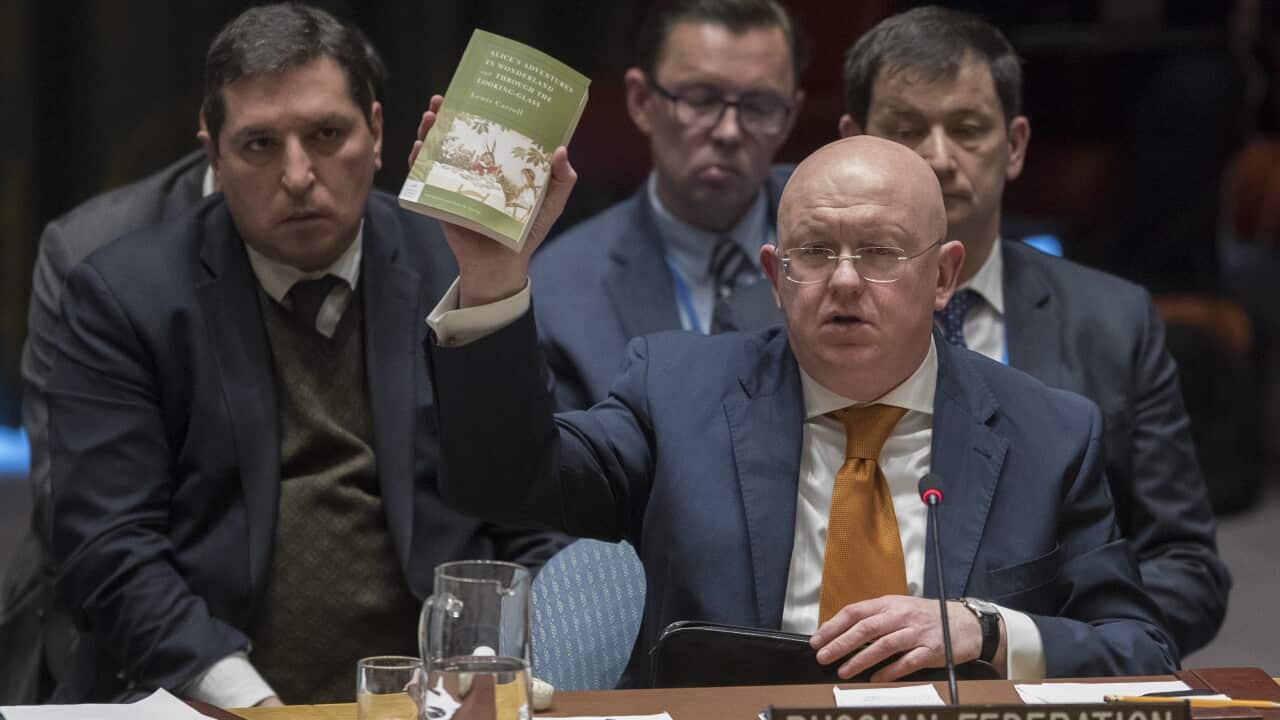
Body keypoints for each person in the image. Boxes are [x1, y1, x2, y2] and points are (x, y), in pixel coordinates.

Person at [418, 117, 1177, 686]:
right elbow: (504, 479)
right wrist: (492, 281)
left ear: (944, 277)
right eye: (814, 252)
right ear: (776, 277)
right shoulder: (678, 391)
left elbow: (1140, 650)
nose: (843, 280)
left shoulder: (1048, 433)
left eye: (879, 252)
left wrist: (988, 630)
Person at [45, 4, 563, 706]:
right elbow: (110, 550)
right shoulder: (125, 297)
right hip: (210, 694)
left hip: (436, 698)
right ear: (212, 153)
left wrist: (484, 672)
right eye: (260, 144)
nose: (297, 174)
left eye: (326, 135)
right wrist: (253, 706)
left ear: (376, 133)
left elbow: (533, 510)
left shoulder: (458, 266)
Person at [725, 5, 1230, 658]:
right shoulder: (759, 316)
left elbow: (1185, 566)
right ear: (854, 138)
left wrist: (1035, 640)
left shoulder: (1112, 323)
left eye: (967, 130)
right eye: (906, 130)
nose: (939, 158)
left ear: (1014, 145)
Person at [530, 0, 806, 410]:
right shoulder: (562, 289)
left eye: (760, 106)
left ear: (789, 117)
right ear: (641, 101)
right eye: (700, 99)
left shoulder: (845, 248)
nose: (729, 132)